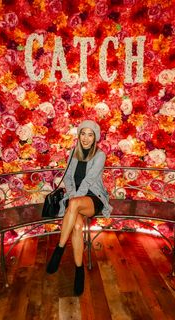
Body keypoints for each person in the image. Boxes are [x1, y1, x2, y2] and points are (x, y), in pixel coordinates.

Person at [46, 120, 112, 296]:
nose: (86, 138)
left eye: (90, 135)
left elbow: (89, 180)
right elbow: (68, 177)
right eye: (83, 133)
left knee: (74, 205)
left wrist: (74, 198)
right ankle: (79, 271)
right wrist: (73, 195)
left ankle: (59, 250)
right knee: (76, 227)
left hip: (92, 198)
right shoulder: (73, 153)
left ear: (95, 138)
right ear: (79, 135)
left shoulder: (100, 155)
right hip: (75, 197)